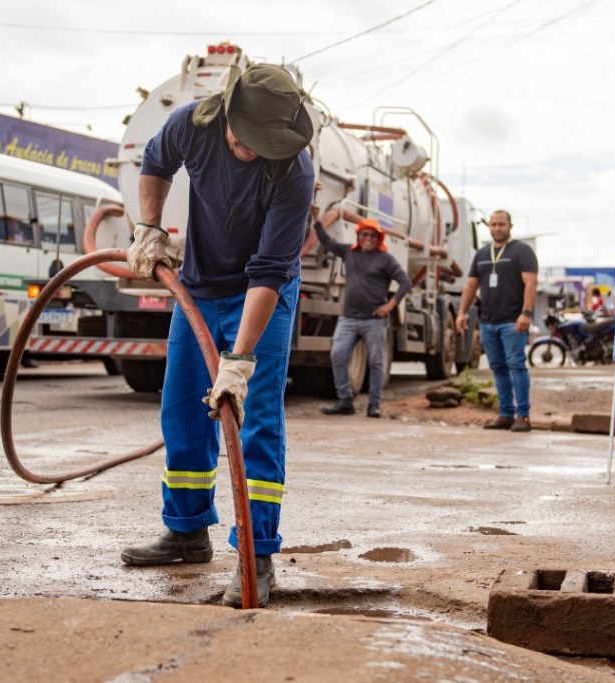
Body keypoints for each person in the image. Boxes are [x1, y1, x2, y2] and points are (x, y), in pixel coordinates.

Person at [120, 64, 315, 609]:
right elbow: (155, 164)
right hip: (199, 290)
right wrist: (150, 226)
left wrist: (240, 361)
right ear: (228, 115)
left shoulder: (294, 171)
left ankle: (257, 554)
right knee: (182, 410)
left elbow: (270, 271)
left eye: (264, 145)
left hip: (265, 296)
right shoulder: (192, 124)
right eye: (244, 141)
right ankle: (185, 532)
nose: (252, 151)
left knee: (255, 422)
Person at [313, 208, 412, 418]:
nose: (368, 238)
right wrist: (316, 220)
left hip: (373, 321)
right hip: (348, 318)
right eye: (364, 234)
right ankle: (345, 400)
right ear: (358, 235)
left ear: (378, 238)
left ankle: (374, 405)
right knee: (338, 355)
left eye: (372, 235)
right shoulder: (349, 251)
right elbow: (327, 243)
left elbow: (405, 282)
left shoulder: (386, 259)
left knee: (376, 362)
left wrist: (390, 305)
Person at [455, 210, 538, 432]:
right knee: (498, 367)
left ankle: (523, 416)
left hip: (512, 321)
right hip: (488, 322)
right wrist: (462, 312)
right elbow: (471, 285)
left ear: (510, 226)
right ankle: (505, 414)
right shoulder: (482, 254)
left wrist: (526, 313)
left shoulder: (522, 251)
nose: (497, 228)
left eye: (502, 224)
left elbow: (531, 283)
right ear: (489, 227)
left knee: (516, 365)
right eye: (493, 224)